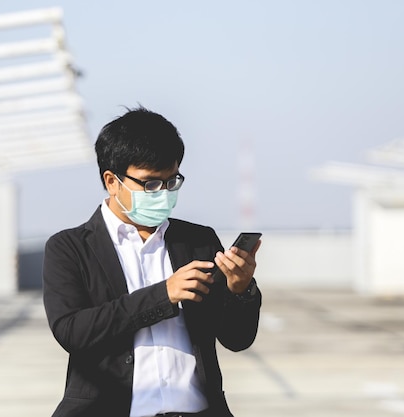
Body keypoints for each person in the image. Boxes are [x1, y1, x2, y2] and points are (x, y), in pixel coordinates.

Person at [42, 106, 262, 417]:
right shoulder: (70, 248)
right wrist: (164, 295)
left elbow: (237, 339)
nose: (163, 194)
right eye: (150, 184)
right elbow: (72, 332)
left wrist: (240, 291)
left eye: (171, 182)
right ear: (111, 181)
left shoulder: (198, 241)